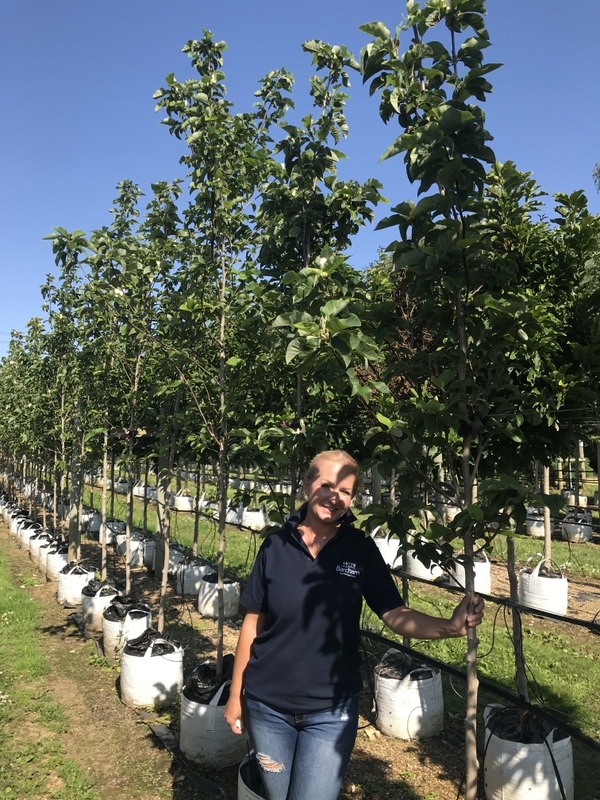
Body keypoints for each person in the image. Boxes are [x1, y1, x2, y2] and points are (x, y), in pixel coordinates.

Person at [224, 450, 484, 800]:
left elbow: (394, 613)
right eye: (326, 485)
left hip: (330, 712)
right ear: (307, 485)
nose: (334, 496)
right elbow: (253, 624)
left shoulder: (359, 549)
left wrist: (449, 627)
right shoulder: (275, 546)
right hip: (267, 706)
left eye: (345, 491)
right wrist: (236, 695)